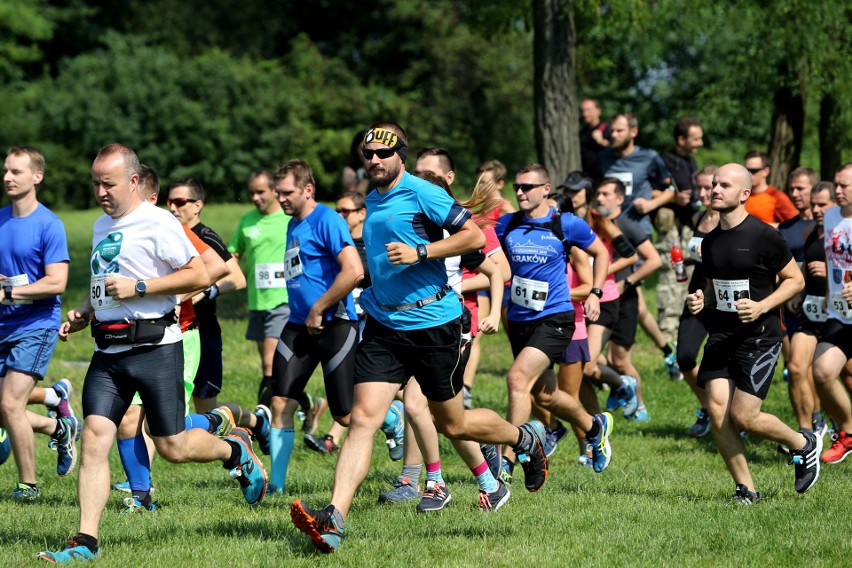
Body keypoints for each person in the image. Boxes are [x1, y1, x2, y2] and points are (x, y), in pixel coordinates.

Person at [290, 122, 548, 553]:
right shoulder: (373, 198)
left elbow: (470, 236)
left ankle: (524, 439)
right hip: (385, 327)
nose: (374, 160)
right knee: (363, 419)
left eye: (383, 154)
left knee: (454, 424)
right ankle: (333, 519)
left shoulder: (424, 192)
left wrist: (421, 253)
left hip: (433, 325)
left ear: (401, 156)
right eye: (368, 154)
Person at [38, 144, 267, 563]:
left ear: (133, 181)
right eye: (95, 184)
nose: (100, 192)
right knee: (94, 438)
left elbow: (197, 272)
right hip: (108, 352)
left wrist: (141, 287)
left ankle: (235, 451)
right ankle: (86, 541)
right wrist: (86, 311)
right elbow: (106, 283)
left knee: (173, 447)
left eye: (108, 183)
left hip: (156, 348)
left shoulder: (158, 221)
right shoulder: (99, 227)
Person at [685, 163, 820, 504]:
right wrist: (701, 298)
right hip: (721, 334)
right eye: (714, 184)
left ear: (744, 194)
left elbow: (796, 281)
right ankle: (746, 489)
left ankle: (803, 444)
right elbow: (712, 286)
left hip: (759, 336)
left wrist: (761, 306)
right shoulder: (710, 242)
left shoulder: (764, 236)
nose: (715, 190)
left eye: (724, 186)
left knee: (744, 416)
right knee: (718, 413)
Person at [495, 163, 615, 483]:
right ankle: (593, 427)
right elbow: (483, 254)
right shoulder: (507, 225)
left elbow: (600, 254)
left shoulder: (567, 224)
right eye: (517, 187)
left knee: (517, 379)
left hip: (556, 316)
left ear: (545, 189)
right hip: (520, 318)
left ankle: (507, 461)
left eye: (527, 187)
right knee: (546, 396)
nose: (520, 192)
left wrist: (595, 292)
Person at [268, 159, 363, 495]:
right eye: (278, 193)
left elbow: (353, 271)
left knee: (346, 416)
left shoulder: (327, 220)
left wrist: (319, 308)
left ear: (308, 190)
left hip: (335, 324)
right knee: (281, 402)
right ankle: (275, 487)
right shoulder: (293, 223)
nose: (280, 199)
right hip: (298, 326)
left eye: (287, 193)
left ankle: (392, 416)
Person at [1, 146, 79, 502]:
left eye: (16, 171)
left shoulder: (50, 224)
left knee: (10, 404)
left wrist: (10, 294)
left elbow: (56, 282)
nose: (7, 177)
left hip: (36, 324)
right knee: (4, 407)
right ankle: (57, 426)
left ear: (37, 176)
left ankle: (28, 487)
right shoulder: (1, 219)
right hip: (3, 323)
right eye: (6, 171)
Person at [228, 171, 325, 436]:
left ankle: (263, 424)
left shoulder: (288, 218)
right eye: (251, 193)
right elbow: (233, 253)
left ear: (274, 191)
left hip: (283, 299)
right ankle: (309, 404)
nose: (255, 198)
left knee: (272, 365)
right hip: (257, 301)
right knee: (268, 366)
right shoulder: (248, 220)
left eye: (261, 192)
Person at [596, 112, 680, 379]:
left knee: (626, 297)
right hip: (609, 234)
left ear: (633, 132)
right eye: (611, 132)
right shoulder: (604, 159)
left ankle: (619, 365)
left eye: (619, 131)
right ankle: (665, 351)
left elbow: (671, 190)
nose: (613, 136)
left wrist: (652, 205)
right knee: (636, 305)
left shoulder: (649, 157)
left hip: (637, 235)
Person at [168, 178, 247, 413]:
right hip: (175, 330)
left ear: (197, 205)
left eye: (180, 202)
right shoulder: (169, 236)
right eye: (169, 201)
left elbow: (237, 278)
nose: (173, 208)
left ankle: (253, 422)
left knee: (205, 408)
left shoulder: (205, 236)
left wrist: (206, 290)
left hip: (204, 331)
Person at [591, 178, 662, 421]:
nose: (599, 198)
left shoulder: (628, 226)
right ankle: (619, 386)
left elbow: (654, 260)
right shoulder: (592, 224)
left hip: (624, 297)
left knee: (620, 359)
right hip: (596, 296)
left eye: (606, 194)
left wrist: (627, 282)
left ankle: (639, 405)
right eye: (598, 193)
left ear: (620, 199)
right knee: (589, 354)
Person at [785, 181, 832, 437]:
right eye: (813, 204)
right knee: (795, 367)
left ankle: (842, 426)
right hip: (811, 308)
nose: (816, 209)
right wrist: (799, 292)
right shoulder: (814, 232)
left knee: (843, 376)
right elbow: (805, 263)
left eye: (822, 204)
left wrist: (832, 273)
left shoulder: (844, 232)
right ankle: (806, 433)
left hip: (839, 312)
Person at [675, 165, 718, 437]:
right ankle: (709, 407)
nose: (702, 193)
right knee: (685, 357)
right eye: (699, 187)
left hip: (724, 301)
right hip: (696, 295)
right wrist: (688, 260)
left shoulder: (732, 221)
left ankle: (734, 415)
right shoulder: (698, 217)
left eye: (708, 187)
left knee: (726, 364)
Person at [813, 163, 852, 464]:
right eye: (836, 185)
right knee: (823, 372)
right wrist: (830, 294)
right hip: (840, 312)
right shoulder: (831, 216)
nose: (837, 191)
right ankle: (848, 434)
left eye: (843, 186)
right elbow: (832, 259)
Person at [743, 150, 798, 227]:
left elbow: (796, 225)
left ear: (766, 171)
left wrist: (765, 227)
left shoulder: (777, 197)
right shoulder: (741, 195)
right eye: (746, 170)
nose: (749, 174)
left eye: (753, 171)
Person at [579, 98, 611, 179]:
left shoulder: (608, 129)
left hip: (605, 177)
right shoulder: (582, 132)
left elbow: (618, 150)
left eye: (589, 110)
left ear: (598, 111)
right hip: (588, 179)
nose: (585, 114)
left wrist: (602, 141)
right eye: (583, 111)